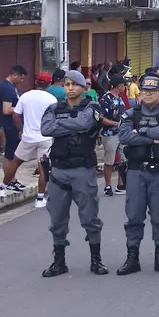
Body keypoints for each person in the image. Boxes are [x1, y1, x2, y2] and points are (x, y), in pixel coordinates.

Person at [40, 70, 108, 277]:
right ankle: (59, 261)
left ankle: (96, 260)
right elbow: (45, 129)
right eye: (67, 84)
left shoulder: (92, 106)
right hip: (59, 171)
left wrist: (60, 126)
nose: (70, 88)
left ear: (83, 87)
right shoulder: (54, 107)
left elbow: (86, 123)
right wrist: (72, 126)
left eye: (74, 84)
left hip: (83, 170)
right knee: (57, 219)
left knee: (90, 218)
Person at [115, 73, 159, 275]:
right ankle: (132, 258)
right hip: (135, 171)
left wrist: (140, 134)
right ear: (139, 92)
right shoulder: (130, 113)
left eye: (153, 91)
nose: (148, 94)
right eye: (145, 90)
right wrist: (151, 139)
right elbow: (124, 136)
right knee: (134, 216)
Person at [5, 72, 57, 208]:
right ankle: (40, 199)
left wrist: (21, 129)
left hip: (28, 137)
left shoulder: (25, 96)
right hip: (45, 138)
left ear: (36, 82)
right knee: (43, 168)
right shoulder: (51, 99)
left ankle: (3, 187)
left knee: (15, 162)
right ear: (48, 84)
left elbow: (15, 116)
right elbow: (55, 119)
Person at [98, 75, 127, 197]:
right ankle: (108, 185)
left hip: (122, 133)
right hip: (110, 134)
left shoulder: (119, 98)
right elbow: (101, 118)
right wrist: (115, 123)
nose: (125, 87)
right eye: (124, 85)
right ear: (119, 85)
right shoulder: (106, 99)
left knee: (124, 160)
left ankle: (121, 185)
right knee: (109, 161)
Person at [0, 65, 27, 174]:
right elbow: (6, 109)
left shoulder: (12, 87)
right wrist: (23, 107)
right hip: (10, 124)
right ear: (14, 75)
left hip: (14, 124)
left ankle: (12, 179)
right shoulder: (7, 88)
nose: (22, 81)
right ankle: (9, 180)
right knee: (10, 154)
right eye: (21, 78)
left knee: (14, 153)